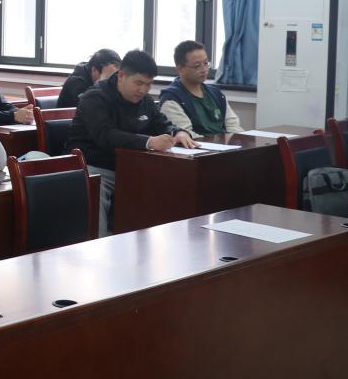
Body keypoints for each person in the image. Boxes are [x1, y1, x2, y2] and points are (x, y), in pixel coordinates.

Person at [66, 49, 196, 234]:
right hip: (94, 165)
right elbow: (105, 135)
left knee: (175, 182)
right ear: (121, 76)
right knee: (97, 188)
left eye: (149, 84)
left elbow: (162, 123)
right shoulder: (95, 97)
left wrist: (178, 132)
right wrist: (149, 142)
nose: (143, 90)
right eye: (138, 83)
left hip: (132, 166)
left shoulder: (145, 100)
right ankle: (98, 243)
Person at [158, 41, 243, 137]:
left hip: (224, 145)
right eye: (197, 66)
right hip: (199, 145)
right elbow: (186, 135)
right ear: (181, 68)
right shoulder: (171, 99)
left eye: (206, 63)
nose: (204, 69)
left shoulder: (216, 94)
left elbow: (233, 126)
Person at [57, 49, 122, 108]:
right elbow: (89, 107)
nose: (111, 81)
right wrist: (102, 83)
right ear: (94, 70)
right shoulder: (76, 82)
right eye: (107, 78)